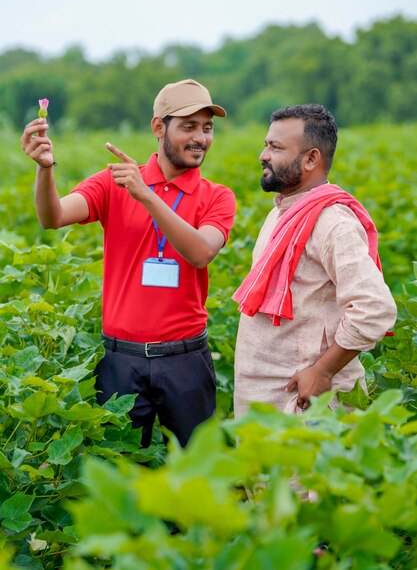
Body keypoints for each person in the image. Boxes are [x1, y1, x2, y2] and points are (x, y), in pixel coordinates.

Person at [21, 79, 236, 446]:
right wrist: (45, 168)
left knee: (197, 475)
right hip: (121, 361)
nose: (200, 137)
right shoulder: (113, 182)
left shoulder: (217, 196)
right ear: (158, 127)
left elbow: (201, 252)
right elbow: (52, 216)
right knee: (122, 474)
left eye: (207, 127)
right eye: (188, 127)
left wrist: (147, 196)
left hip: (186, 360)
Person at [233, 104, 397, 416]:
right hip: (265, 397)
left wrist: (323, 371)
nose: (263, 155)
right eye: (266, 144)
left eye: (276, 147)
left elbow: (375, 307)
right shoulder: (282, 211)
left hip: (309, 404)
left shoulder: (332, 221)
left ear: (311, 159)